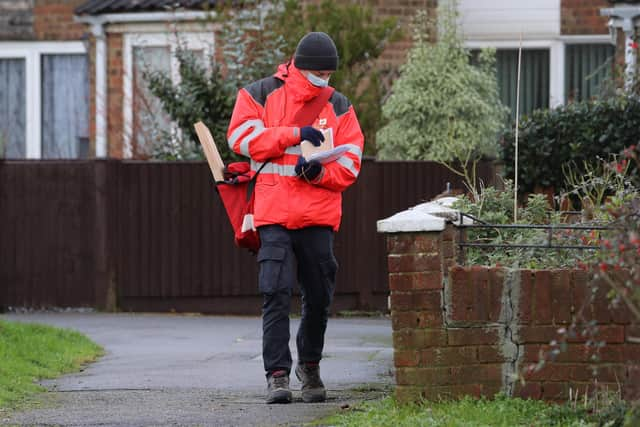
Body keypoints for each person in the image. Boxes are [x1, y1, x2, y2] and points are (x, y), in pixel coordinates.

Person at [226, 32, 364, 404]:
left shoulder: (339, 105)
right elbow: (241, 138)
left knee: (319, 296)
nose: (325, 79)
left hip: (318, 217)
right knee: (275, 291)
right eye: (319, 72)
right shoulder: (258, 93)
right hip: (273, 216)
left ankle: (310, 365)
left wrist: (320, 174)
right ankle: (277, 375)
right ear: (301, 66)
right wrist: (292, 134)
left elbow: (351, 163)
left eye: (329, 73)